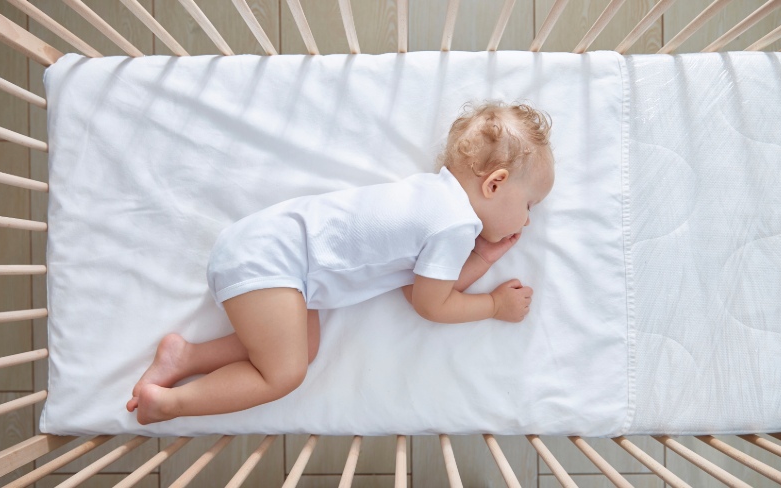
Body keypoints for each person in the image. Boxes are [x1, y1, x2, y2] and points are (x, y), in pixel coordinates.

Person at [126, 100, 556, 425]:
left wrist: (481, 258)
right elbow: (430, 304)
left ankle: (185, 357)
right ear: (495, 184)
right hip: (270, 262)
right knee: (283, 375)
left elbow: (418, 286)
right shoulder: (454, 225)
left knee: (302, 347)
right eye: (529, 204)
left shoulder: (431, 195)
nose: (528, 220)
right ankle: (171, 404)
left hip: (268, 251)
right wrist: (494, 306)